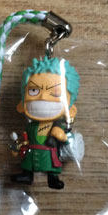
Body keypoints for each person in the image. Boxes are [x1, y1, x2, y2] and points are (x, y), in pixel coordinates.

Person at [11, 56, 79, 189]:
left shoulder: (57, 125)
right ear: (21, 105)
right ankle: (27, 175)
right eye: (34, 90)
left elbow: (65, 139)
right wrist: (17, 147)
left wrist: (62, 136)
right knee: (27, 164)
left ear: (71, 109)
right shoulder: (30, 126)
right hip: (31, 153)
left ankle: (53, 178)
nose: (43, 97)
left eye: (55, 92)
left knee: (51, 165)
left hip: (49, 153)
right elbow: (24, 139)